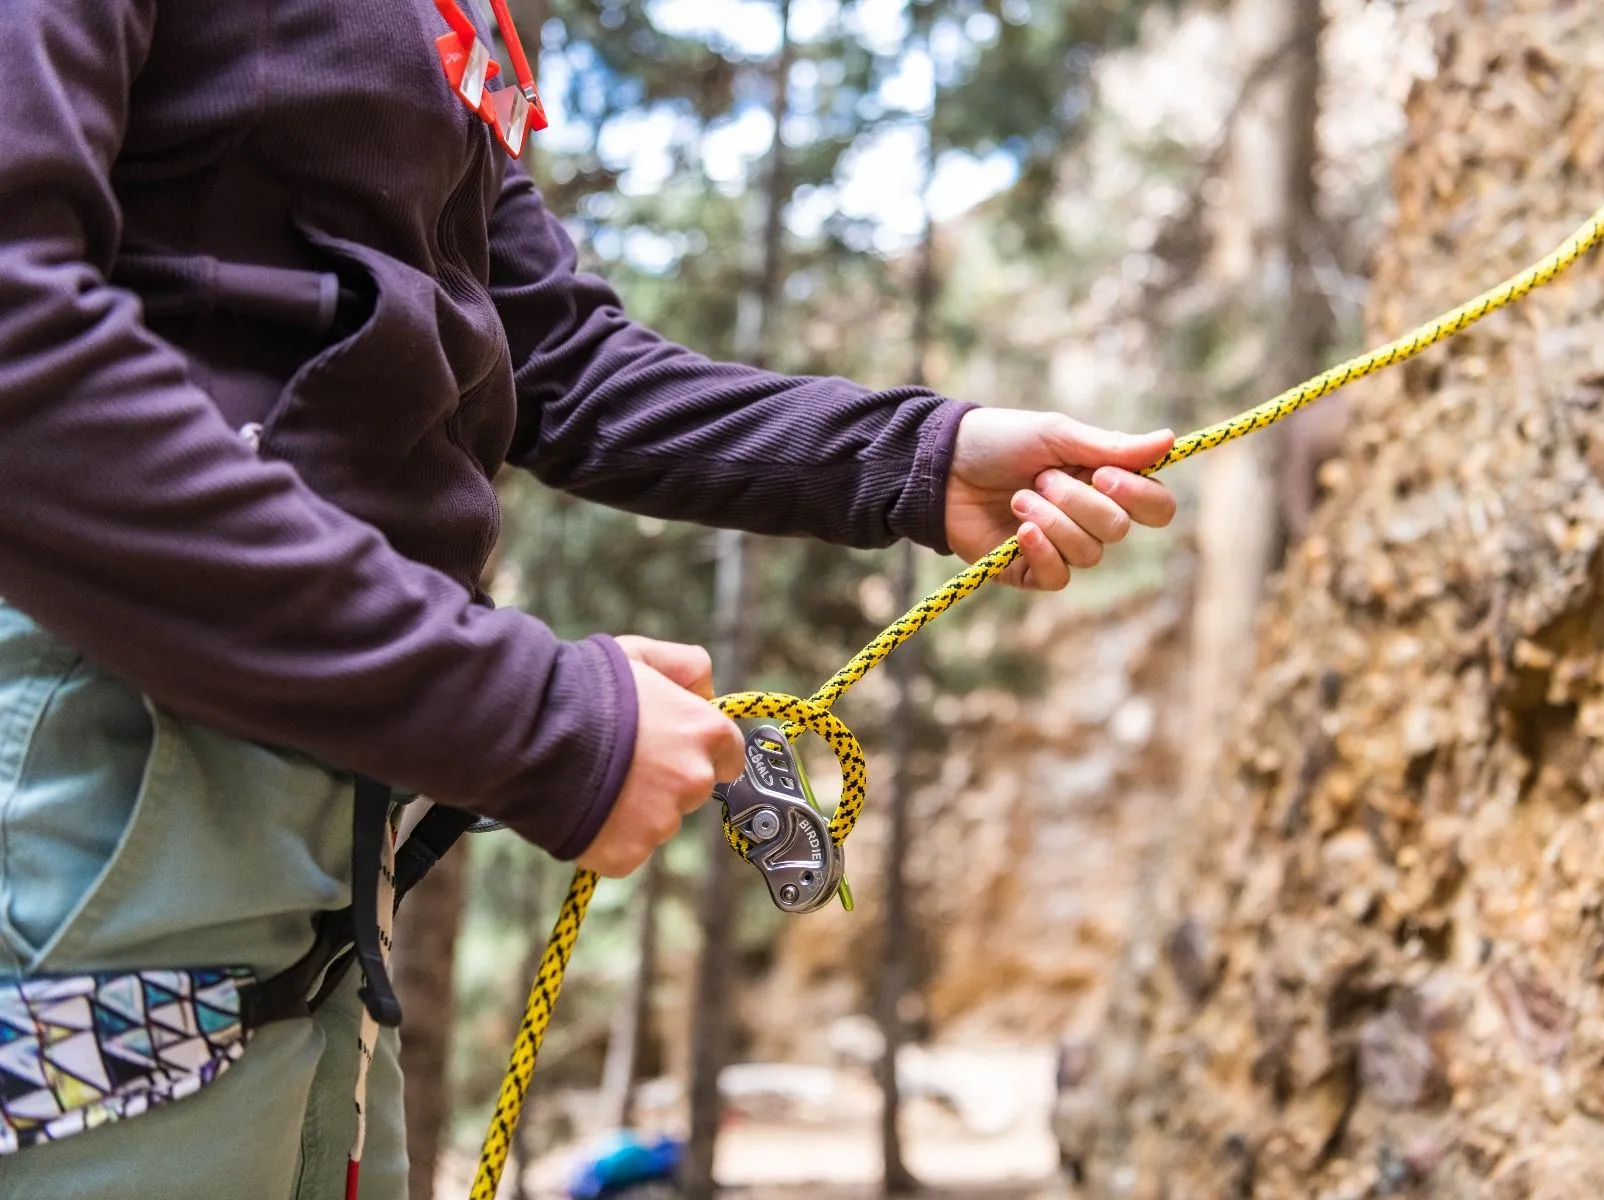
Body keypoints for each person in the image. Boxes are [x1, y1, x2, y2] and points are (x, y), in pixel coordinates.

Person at [0, 1, 1177, 1197]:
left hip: (317, 814)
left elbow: (551, 352)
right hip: (99, 762)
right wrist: (533, 717)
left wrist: (919, 458)